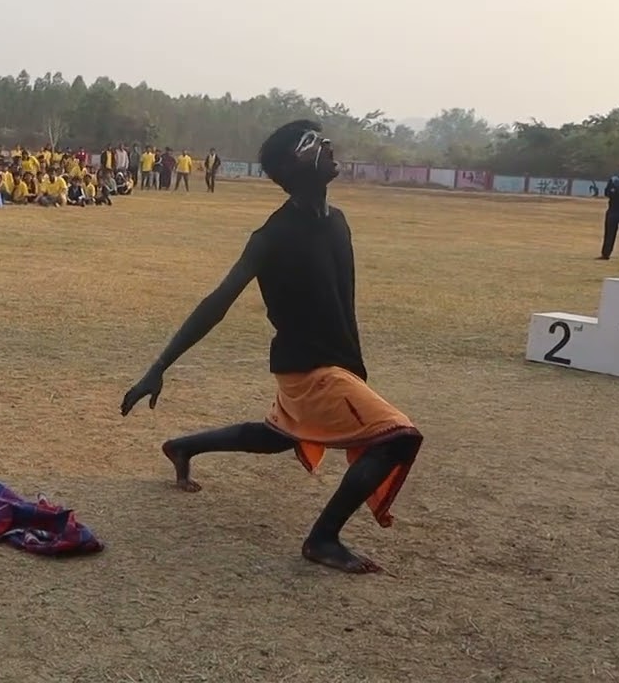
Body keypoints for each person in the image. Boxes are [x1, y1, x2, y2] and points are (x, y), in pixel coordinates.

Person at [119, 119, 424, 575]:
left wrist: (353, 363)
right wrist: (160, 364)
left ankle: (182, 447)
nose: (325, 144)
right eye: (310, 143)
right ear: (290, 166)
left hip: (333, 363)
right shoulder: (272, 237)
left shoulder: (338, 222)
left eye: (321, 137)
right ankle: (322, 539)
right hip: (310, 370)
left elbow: (342, 300)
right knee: (398, 437)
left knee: (280, 436)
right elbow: (216, 303)